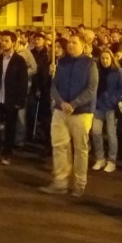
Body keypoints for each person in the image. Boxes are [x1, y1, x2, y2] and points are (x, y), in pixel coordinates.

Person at [40, 35, 99, 198]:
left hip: (81, 113)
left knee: (80, 149)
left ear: (83, 45)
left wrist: (74, 104)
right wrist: (61, 102)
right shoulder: (62, 62)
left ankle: (79, 184)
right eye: (70, 43)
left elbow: (91, 89)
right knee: (59, 146)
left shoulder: (90, 64)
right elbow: (54, 86)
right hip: (60, 111)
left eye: (74, 43)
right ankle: (60, 182)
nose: (70, 45)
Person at [0, 31, 29, 165]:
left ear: (13, 43)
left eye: (6, 41)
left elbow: (23, 82)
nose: (3, 43)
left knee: (10, 127)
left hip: (11, 99)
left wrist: (20, 101)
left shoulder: (19, 61)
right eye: (2, 40)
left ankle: (7, 153)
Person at [91, 49, 122, 173]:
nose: (104, 61)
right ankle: (100, 158)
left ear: (112, 59)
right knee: (96, 132)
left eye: (107, 58)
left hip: (111, 107)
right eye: (102, 58)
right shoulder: (97, 70)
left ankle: (112, 160)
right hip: (98, 105)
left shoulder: (118, 71)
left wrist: (113, 100)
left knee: (111, 134)